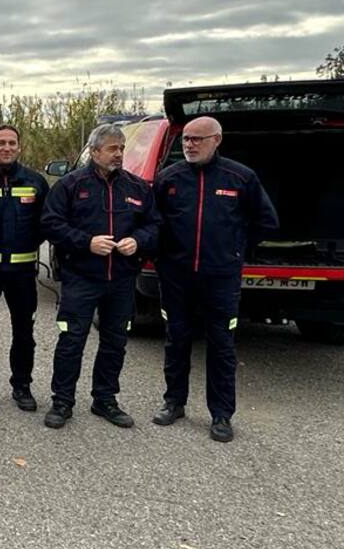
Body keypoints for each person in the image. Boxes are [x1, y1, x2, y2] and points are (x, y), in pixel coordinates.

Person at [152, 116, 278, 442]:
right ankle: (174, 402)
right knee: (176, 340)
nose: (190, 144)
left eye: (197, 139)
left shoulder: (240, 177)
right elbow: (154, 223)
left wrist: (235, 251)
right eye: (186, 139)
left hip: (220, 278)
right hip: (177, 277)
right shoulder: (169, 178)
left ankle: (221, 414)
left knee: (221, 346)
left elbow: (266, 221)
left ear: (217, 140)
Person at [41, 123, 161, 429]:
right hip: (81, 277)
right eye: (112, 148)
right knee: (71, 340)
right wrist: (86, 242)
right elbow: (51, 224)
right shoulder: (70, 185)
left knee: (115, 342)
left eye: (121, 148)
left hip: (121, 280)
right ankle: (62, 401)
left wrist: (139, 241)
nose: (118, 154)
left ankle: (105, 399)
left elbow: (155, 225)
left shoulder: (136, 188)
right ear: (94, 151)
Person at [0, 124, 49, 411]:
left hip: (22, 272)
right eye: (0, 143)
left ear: (19, 147)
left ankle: (22, 386)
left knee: (24, 332)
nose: (7, 148)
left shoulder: (35, 182)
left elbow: (45, 224)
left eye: (12, 143)